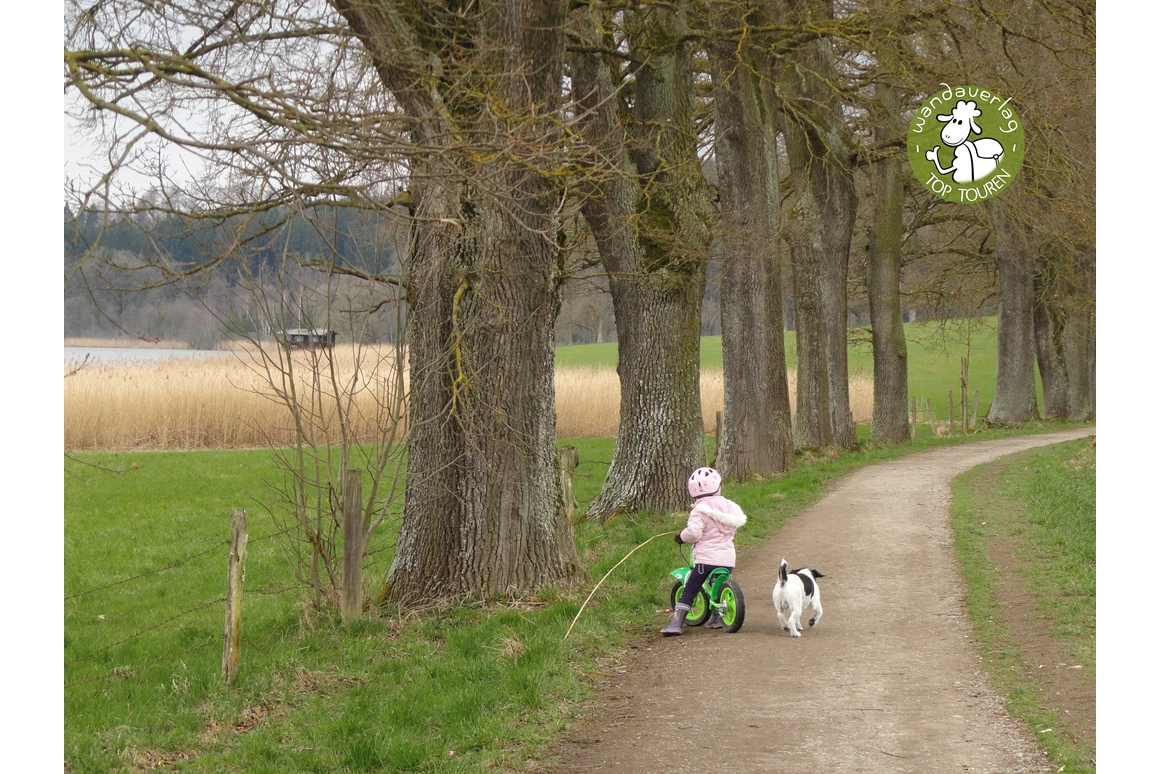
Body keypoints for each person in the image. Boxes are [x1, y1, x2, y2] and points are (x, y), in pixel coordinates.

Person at [660, 467, 747, 636]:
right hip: (727, 559)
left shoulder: (699, 510)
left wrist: (681, 537)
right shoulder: (730, 508)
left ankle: (676, 623)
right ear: (718, 487)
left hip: (705, 560)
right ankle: (716, 618)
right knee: (718, 584)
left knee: (691, 589)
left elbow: (693, 533)